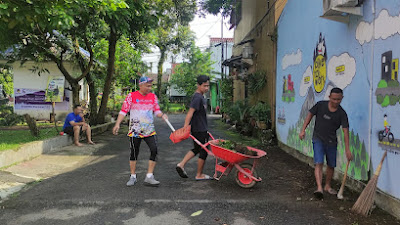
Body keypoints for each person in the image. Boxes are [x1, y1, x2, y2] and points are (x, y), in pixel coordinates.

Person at [112, 76, 168, 187]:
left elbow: (156, 111)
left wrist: (162, 115)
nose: (149, 88)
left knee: (154, 150)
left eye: (151, 85)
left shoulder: (152, 97)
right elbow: (124, 111)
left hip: (149, 130)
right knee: (134, 152)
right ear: (140, 85)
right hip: (135, 130)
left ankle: (149, 176)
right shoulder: (131, 96)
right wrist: (117, 124)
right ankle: (133, 176)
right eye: (147, 85)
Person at [299, 87, 353, 200]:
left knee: (331, 165)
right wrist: (303, 129)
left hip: (331, 141)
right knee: (319, 162)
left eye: (338, 99)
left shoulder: (342, 113)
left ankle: (327, 185)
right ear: (329, 97)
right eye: (334, 99)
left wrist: (347, 149)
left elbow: (345, 131)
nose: (336, 101)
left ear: (342, 98)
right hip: (318, 138)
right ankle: (319, 188)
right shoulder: (320, 105)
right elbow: (309, 114)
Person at [176, 75, 212, 180]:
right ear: (198, 85)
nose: (206, 88)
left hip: (201, 128)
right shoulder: (197, 97)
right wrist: (185, 128)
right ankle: (199, 175)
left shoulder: (201, 96)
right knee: (204, 151)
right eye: (204, 86)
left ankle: (181, 164)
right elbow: (190, 113)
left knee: (196, 149)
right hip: (199, 129)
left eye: (208, 86)